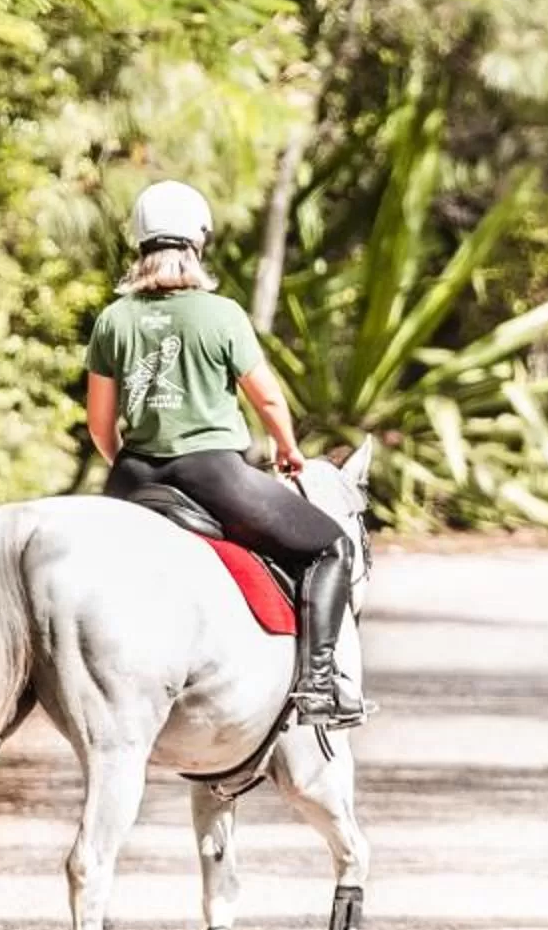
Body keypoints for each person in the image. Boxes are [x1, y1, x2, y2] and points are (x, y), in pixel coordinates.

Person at [85, 180, 367, 728]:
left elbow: (100, 424)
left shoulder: (112, 320)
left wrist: (129, 465)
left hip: (131, 477)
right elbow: (266, 396)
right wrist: (289, 451)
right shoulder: (221, 315)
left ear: (140, 246)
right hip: (211, 473)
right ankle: (318, 681)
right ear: (197, 243)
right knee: (329, 548)